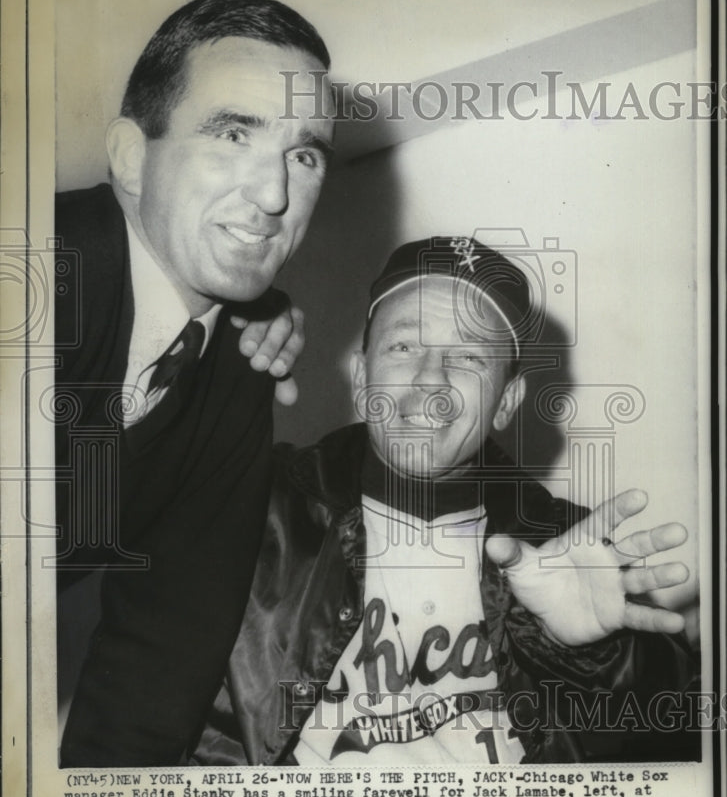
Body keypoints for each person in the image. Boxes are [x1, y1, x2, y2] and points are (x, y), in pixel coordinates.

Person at [194, 235, 698, 765]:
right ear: (363, 378)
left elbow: (676, 749)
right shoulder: (254, 503)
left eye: (468, 356)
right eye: (404, 346)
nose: (431, 378)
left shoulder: (566, 545)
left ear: (506, 400)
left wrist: (594, 653)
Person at [55, 0, 335, 767]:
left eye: (303, 153)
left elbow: (162, 659)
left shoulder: (235, 373)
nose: (275, 196)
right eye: (234, 133)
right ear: (131, 156)